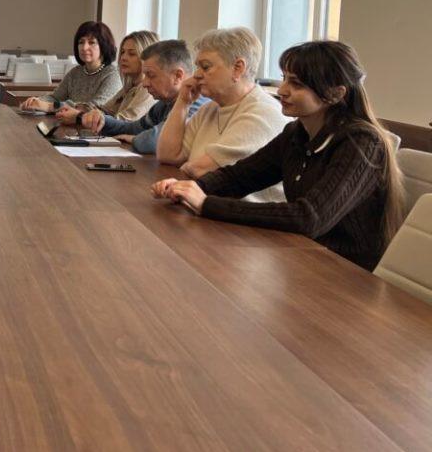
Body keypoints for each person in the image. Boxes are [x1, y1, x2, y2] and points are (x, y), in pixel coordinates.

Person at [152, 41, 404, 271]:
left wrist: (207, 204)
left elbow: (309, 218)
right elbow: (240, 176)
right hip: (301, 256)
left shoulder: (362, 142)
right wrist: (192, 188)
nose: (282, 90)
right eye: (284, 79)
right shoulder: (296, 133)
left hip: (345, 272)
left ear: (336, 93)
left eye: (297, 84)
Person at [155, 26, 288, 201]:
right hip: (210, 206)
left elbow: (202, 171)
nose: (197, 75)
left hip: (243, 215)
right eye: (197, 67)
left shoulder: (263, 113)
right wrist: (183, 102)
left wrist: (187, 168)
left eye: (205, 67)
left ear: (238, 68)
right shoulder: (209, 109)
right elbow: (167, 155)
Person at [75, 40, 208, 154]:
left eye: (151, 75)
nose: (145, 83)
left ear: (177, 76)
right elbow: (133, 128)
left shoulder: (195, 103)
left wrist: (134, 139)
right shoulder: (163, 104)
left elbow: (153, 142)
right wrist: (102, 120)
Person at [55, 30, 159, 126]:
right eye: (123, 52)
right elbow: (105, 110)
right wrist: (78, 109)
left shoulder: (148, 89)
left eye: (132, 54)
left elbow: (125, 122)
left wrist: (79, 117)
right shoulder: (129, 87)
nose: (123, 57)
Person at [21, 21, 122, 113]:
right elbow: (56, 97)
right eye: (81, 42)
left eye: (91, 42)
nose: (84, 47)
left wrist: (50, 106)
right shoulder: (75, 72)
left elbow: (95, 108)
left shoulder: (113, 75)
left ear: (104, 46)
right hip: (70, 124)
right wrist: (36, 101)